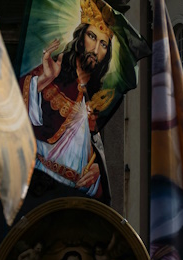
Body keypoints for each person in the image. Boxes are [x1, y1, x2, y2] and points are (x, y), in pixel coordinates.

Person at [19, 0, 117, 200]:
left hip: (80, 194)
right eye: (92, 36)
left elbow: (98, 147)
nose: (96, 49)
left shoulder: (100, 93)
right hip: (40, 184)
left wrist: (100, 171)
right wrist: (45, 80)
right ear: (81, 37)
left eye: (103, 44)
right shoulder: (55, 69)